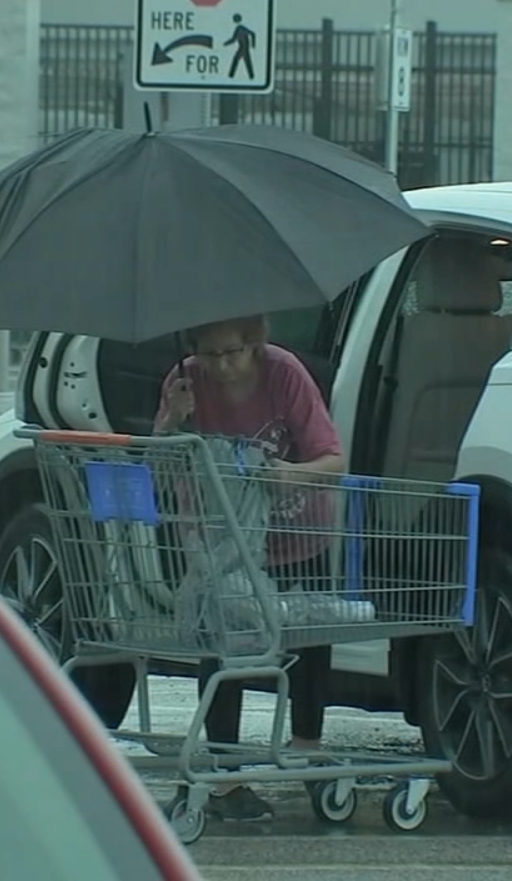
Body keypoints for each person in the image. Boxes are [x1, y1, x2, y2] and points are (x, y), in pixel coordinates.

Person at [154, 314, 346, 822]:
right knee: (221, 642)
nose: (220, 366)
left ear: (255, 345)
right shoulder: (184, 380)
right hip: (220, 542)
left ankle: (307, 741)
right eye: (209, 354)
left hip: (294, 529)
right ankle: (223, 771)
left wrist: (291, 473)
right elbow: (159, 465)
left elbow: (331, 459)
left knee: (307, 634)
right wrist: (172, 420)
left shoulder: (286, 373)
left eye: (233, 352)